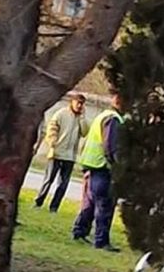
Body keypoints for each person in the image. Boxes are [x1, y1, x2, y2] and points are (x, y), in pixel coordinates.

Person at [72, 90, 125, 252]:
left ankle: (79, 231)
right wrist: (118, 165)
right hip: (103, 167)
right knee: (104, 205)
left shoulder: (102, 116)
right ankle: (101, 241)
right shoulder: (113, 119)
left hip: (91, 165)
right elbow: (111, 146)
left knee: (89, 202)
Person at [34, 93, 89, 213]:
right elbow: (51, 128)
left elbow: (85, 132)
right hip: (56, 153)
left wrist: (82, 118)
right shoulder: (61, 114)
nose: (79, 106)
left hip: (70, 156)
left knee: (63, 184)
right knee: (49, 180)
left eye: (81, 104)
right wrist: (53, 142)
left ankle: (54, 207)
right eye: (78, 103)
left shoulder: (81, 118)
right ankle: (39, 202)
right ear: (72, 102)